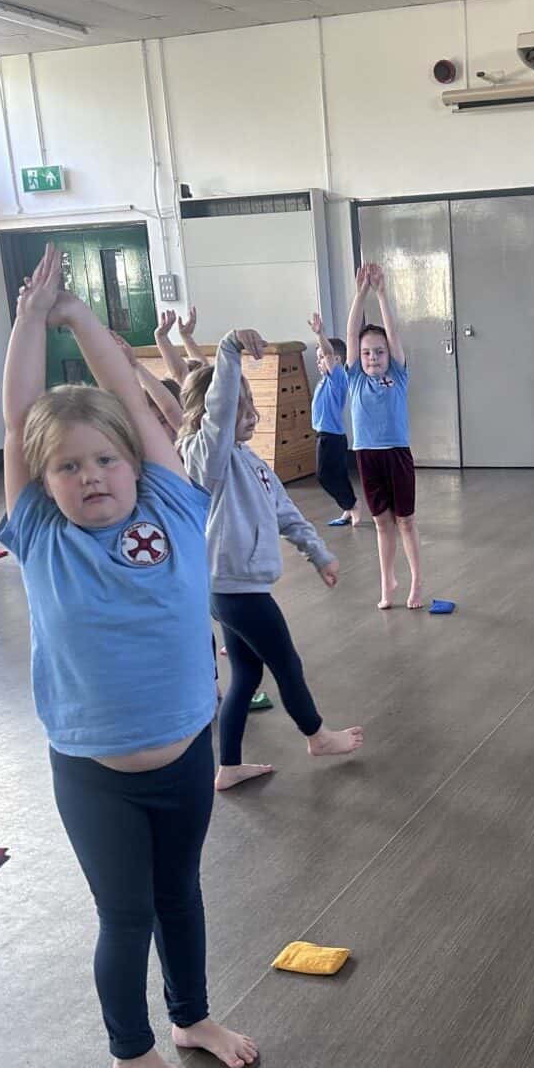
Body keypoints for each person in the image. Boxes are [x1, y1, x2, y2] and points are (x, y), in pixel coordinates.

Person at [0, 244, 257, 1068]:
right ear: (46, 484)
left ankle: (192, 1018)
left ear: (136, 463)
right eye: (68, 468)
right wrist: (29, 323)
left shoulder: (174, 502)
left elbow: (137, 407)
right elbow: (18, 422)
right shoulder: (42, 535)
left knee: (181, 896)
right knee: (126, 915)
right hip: (94, 772)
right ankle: (131, 1053)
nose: (91, 477)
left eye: (105, 461)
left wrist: (78, 319)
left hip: (184, 754)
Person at [178, 329, 364, 792]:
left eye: (250, 407)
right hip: (234, 589)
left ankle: (229, 765)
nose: (251, 416)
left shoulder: (253, 463)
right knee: (286, 663)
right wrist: (228, 350)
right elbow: (219, 415)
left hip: (236, 588)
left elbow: (287, 512)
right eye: (240, 409)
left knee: (246, 675)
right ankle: (317, 735)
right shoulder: (208, 459)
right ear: (211, 415)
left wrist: (319, 554)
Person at [346, 263, 423, 609]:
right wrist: (360, 292)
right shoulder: (355, 378)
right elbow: (351, 334)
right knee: (381, 523)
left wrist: (381, 293)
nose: (373, 358)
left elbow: (392, 333)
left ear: (389, 354)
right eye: (367, 353)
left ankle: (416, 581)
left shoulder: (398, 375)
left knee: (405, 520)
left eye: (379, 352)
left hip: (396, 454)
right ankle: (387, 582)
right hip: (367, 454)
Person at [308, 312, 361, 527]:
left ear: (336, 361)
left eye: (321, 357)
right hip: (325, 435)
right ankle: (348, 507)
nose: (318, 361)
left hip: (331, 436)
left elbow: (329, 353)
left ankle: (352, 505)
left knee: (324, 475)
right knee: (338, 474)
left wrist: (320, 334)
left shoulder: (337, 378)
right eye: (318, 358)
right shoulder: (324, 381)